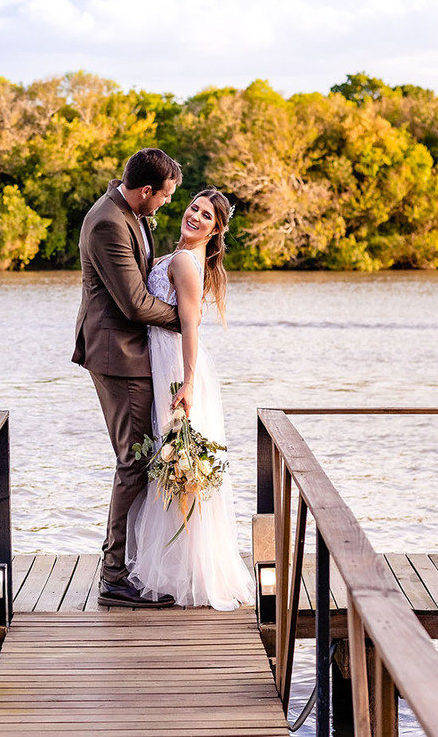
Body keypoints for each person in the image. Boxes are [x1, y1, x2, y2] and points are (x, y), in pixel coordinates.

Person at [126, 188, 254, 610]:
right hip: (167, 358)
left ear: (216, 230)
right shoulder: (181, 256)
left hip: (174, 365)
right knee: (176, 468)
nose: (195, 216)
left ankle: (184, 569)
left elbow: (190, 325)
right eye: (194, 208)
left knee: (178, 468)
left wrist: (188, 382)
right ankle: (181, 564)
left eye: (206, 216)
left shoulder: (183, 261)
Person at [73, 148, 183, 608]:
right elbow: (135, 304)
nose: (165, 205)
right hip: (117, 353)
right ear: (145, 191)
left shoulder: (129, 212)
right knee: (133, 460)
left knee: (143, 455)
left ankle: (133, 564)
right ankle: (114, 575)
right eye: (165, 197)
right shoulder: (107, 223)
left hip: (135, 352)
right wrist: (184, 319)